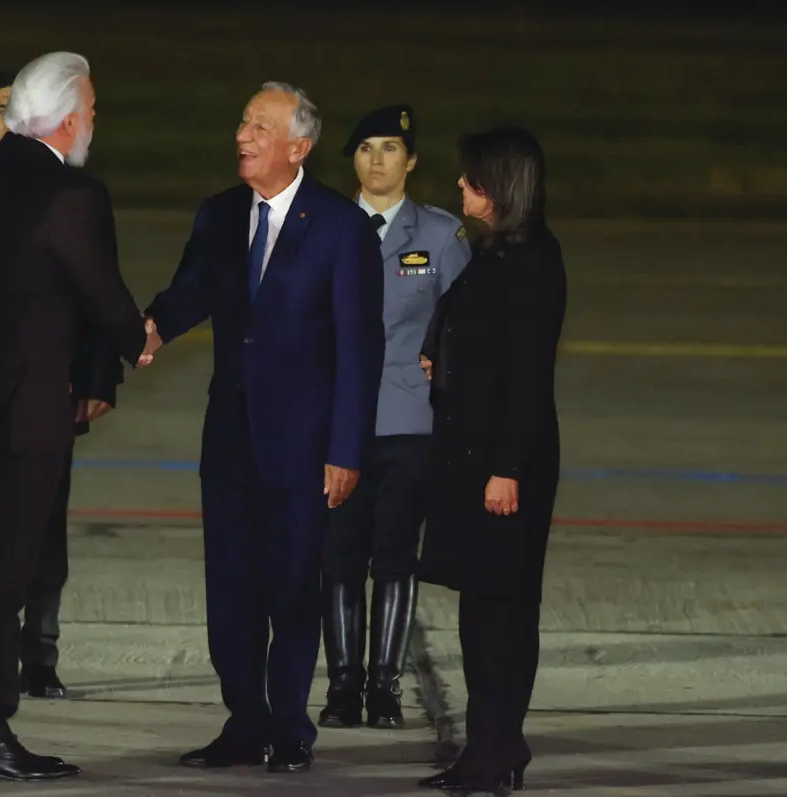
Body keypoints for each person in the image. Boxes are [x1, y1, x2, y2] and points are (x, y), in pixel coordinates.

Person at [0, 51, 147, 782]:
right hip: (28, 418)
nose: (94, 126)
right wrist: (138, 338)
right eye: (94, 113)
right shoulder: (74, 195)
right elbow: (106, 305)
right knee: (5, 575)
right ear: (70, 119)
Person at [141, 82, 385, 774]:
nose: (242, 136)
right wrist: (152, 326)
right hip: (230, 440)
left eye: (258, 126)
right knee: (231, 590)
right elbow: (190, 291)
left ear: (297, 146)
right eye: (243, 122)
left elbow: (359, 349)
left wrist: (346, 447)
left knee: (290, 587)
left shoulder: (340, 228)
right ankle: (243, 720)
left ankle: (289, 728)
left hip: (304, 447)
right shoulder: (220, 214)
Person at [414, 126, 566, 793]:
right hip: (473, 454)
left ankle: (499, 747)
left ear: (500, 187)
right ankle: (489, 744)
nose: (460, 188)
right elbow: (465, 319)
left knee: (502, 611)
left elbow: (528, 373)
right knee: (481, 610)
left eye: (471, 180)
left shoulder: (532, 259)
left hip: (505, 463)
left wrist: (505, 467)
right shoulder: (497, 252)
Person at [318, 105, 471, 730]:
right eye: (364, 148)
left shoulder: (440, 235)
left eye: (390, 148)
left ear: (410, 161)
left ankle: (383, 686)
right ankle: (341, 686)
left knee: (394, 556)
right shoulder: (322, 226)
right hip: (336, 423)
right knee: (338, 557)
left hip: (409, 422)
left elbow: (463, 327)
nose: (376, 160)